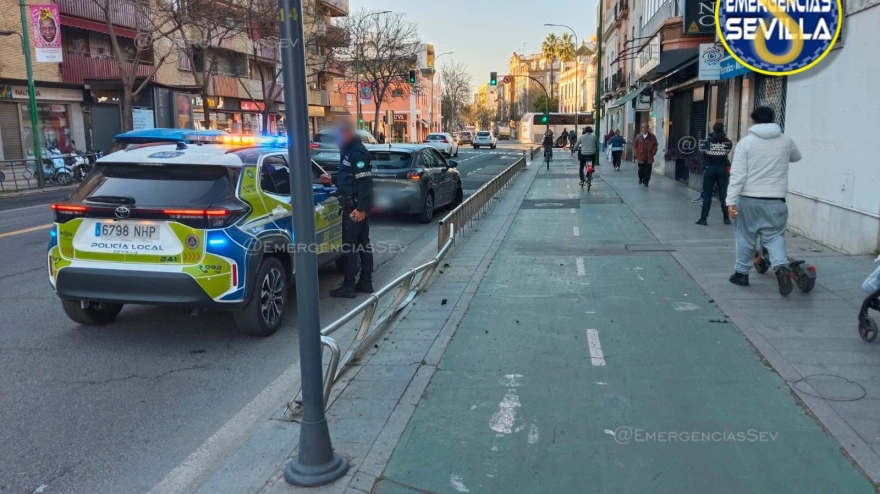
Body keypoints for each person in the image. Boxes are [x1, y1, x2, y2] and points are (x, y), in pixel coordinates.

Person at [727, 106, 802, 295]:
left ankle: (741, 274)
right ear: (773, 119)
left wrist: (730, 201)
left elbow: (737, 175)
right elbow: (797, 157)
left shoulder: (746, 143)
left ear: (754, 121)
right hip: (776, 200)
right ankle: (781, 267)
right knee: (775, 236)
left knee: (745, 236)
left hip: (749, 200)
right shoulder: (786, 141)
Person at [328, 121, 375, 298]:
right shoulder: (350, 150)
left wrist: (361, 209)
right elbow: (349, 177)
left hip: (355, 207)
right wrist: (332, 179)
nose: (338, 139)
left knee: (350, 247)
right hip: (355, 205)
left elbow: (365, 183)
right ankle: (365, 282)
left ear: (346, 134)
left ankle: (349, 285)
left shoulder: (357, 152)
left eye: (339, 136)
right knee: (362, 245)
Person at [696, 122, 734, 226]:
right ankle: (726, 218)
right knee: (723, 195)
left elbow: (704, 154)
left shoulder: (707, 142)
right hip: (722, 170)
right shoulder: (728, 142)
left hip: (710, 169)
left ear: (713, 129)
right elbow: (727, 152)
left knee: (707, 195)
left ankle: (703, 219)